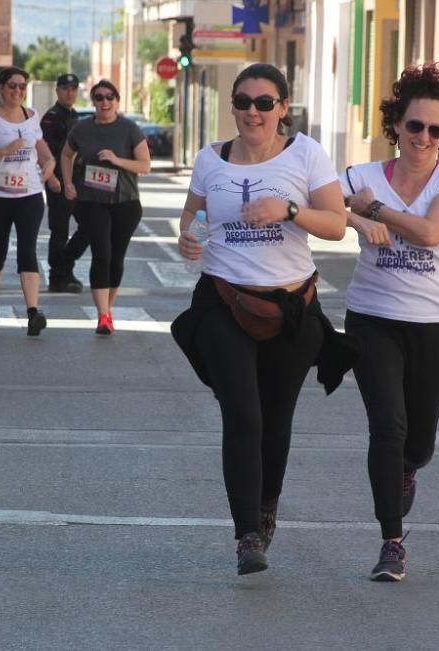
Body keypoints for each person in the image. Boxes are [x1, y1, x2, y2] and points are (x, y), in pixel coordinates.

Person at [170, 63, 351, 575]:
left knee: (275, 421)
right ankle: (247, 532)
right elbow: (193, 216)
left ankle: (267, 503)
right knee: (243, 415)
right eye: (244, 102)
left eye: (264, 103)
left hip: (292, 309)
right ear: (233, 107)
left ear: (282, 108)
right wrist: (187, 237)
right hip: (226, 303)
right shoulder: (210, 160)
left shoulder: (307, 154)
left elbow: (337, 225)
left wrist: (289, 212)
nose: (253, 111)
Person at [340, 63, 439, 582]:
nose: (422, 137)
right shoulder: (360, 176)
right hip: (372, 318)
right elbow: (324, 210)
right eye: (413, 125)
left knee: (417, 442)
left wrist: (374, 210)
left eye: (435, 130)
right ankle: (391, 541)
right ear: (395, 124)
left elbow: (428, 233)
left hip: (435, 324)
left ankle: (410, 469)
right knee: (387, 428)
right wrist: (352, 216)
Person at [0, 67, 58, 336]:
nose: (17, 91)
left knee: (28, 250)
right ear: (1, 89)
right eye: (12, 86)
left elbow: (40, 147)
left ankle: (32, 312)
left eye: (22, 87)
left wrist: (49, 164)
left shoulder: (31, 116)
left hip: (29, 195)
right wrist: (4, 151)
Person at [60, 79, 150, 335]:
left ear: (117, 100)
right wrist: (68, 182)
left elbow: (144, 166)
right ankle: (102, 315)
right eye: (99, 97)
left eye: (109, 96)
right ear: (93, 101)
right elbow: (66, 155)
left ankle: (107, 310)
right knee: (102, 253)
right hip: (91, 202)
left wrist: (116, 160)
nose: (105, 102)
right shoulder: (82, 129)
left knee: (116, 258)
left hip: (125, 203)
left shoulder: (129, 128)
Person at [40, 72, 88, 293]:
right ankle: (58, 277)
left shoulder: (75, 116)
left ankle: (66, 264)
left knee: (89, 226)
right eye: (65, 89)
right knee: (59, 231)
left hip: (78, 182)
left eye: (73, 89)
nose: (70, 93)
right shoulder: (51, 118)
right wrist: (51, 178)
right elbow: (46, 152)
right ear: (57, 91)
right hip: (59, 182)